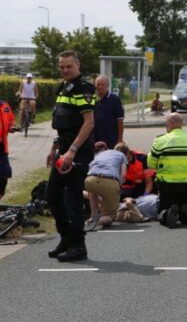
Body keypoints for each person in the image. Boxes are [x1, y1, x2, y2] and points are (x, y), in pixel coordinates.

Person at [46, 50, 96, 262]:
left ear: (78, 65)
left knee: (73, 199)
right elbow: (63, 124)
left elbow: (88, 123)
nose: (65, 70)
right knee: (51, 196)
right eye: (62, 67)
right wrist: (55, 148)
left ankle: (78, 246)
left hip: (77, 151)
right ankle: (66, 238)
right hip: (64, 148)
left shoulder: (83, 88)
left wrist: (72, 150)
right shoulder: (63, 87)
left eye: (69, 66)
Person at [148, 112, 187, 228]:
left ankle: (167, 212)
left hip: (166, 184)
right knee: (186, 216)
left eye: (166, 123)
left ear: (172, 124)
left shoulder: (160, 141)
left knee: (163, 211)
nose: (166, 126)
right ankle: (186, 212)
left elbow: (151, 164)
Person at [85, 141, 127, 227]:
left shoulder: (99, 155)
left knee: (93, 189)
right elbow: (124, 175)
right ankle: (99, 220)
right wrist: (120, 185)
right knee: (109, 217)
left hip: (90, 179)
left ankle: (93, 216)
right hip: (110, 181)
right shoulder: (121, 156)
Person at [93, 75, 125, 149]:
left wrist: (120, 139)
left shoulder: (115, 99)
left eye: (103, 85)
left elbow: (120, 121)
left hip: (111, 140)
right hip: (95, 140)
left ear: (107, 85)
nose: (100, 87)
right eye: (98, 84)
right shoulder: (92, 99)